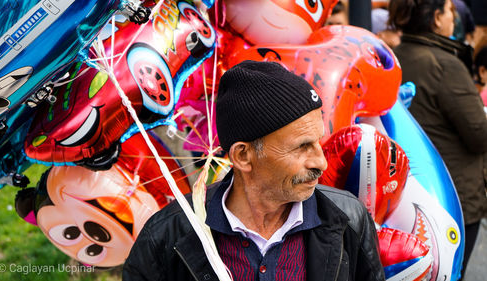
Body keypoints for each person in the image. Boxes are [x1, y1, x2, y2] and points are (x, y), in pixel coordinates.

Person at [122, 61, 385, 281]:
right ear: (243, 156)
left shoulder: (348, 219)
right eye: (302, 147)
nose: (321, 163)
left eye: (318, 142)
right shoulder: (168, 237)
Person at [388, 0, 487, 279]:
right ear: (435, 18)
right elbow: (479, 135)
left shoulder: (393, 55)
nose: (453, 16)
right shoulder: (445, 65)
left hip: (400, 194)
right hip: (451, 197)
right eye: (448, 9)